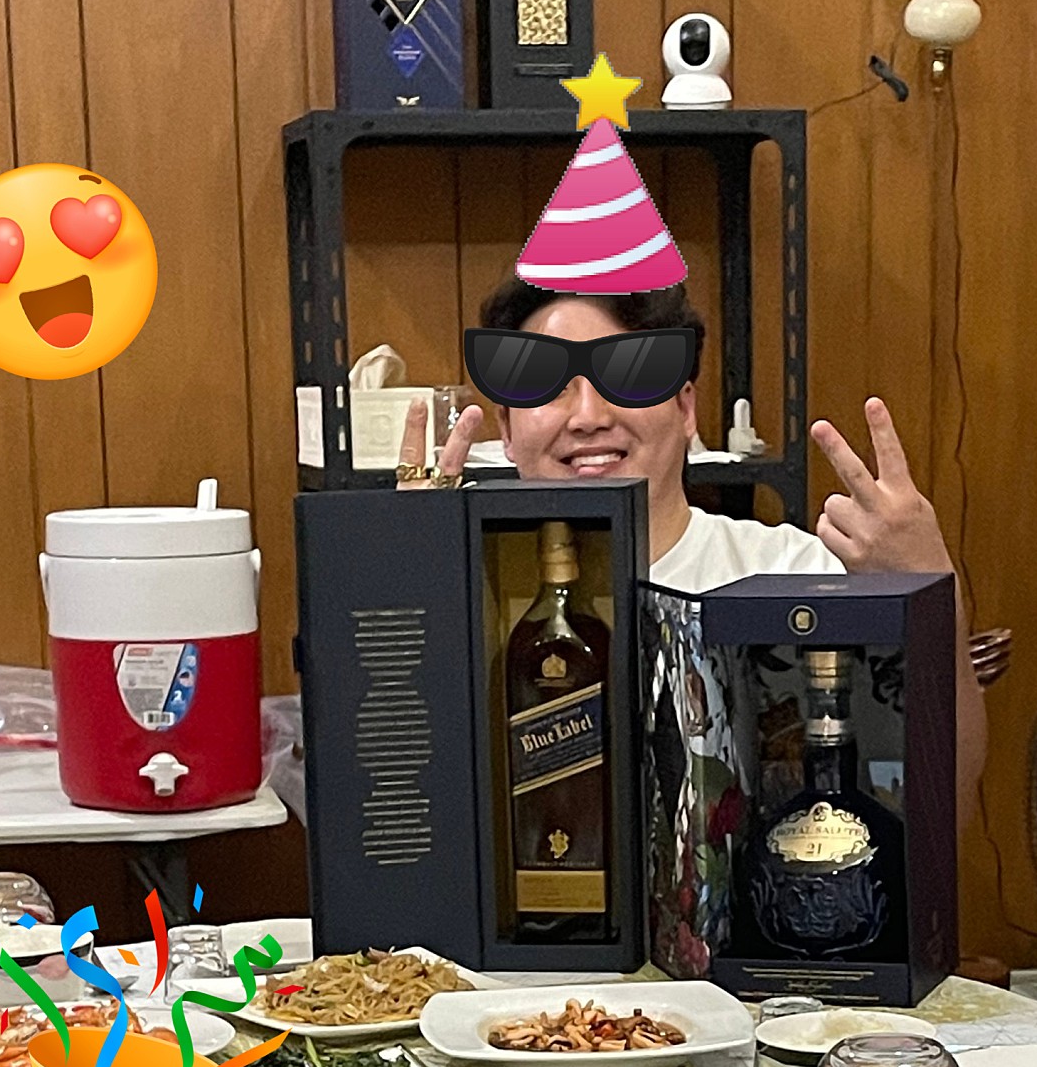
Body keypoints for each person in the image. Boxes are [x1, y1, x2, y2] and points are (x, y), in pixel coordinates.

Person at [398, 275, 987, 829]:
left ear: (685, 410)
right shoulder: (459, 589)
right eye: (549, 385)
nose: (588, 418)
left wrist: (933, 599)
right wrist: (404, 595)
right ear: (506, 429)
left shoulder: (799, 576)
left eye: (627, 374)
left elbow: (938, 818)